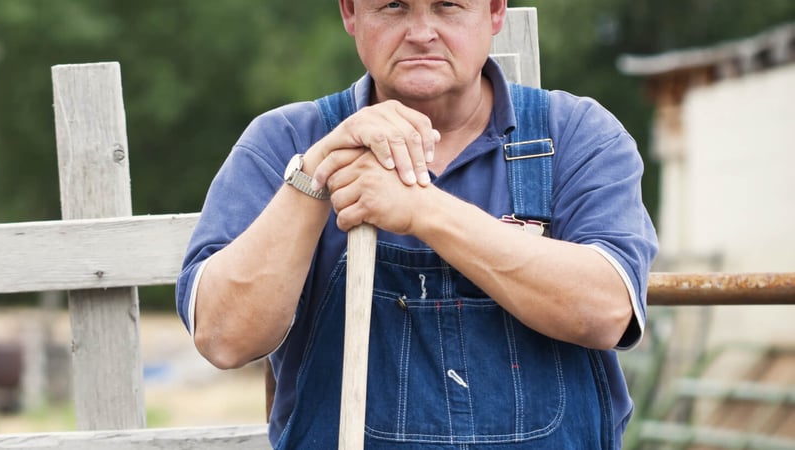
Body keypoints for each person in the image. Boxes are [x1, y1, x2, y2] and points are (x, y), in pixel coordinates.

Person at [176, 0, 658, 448]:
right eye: (393, 5)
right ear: (350, 12)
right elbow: (224, 338)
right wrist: (313, 178)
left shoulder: (575, 136)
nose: (422, 32)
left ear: (493, 11)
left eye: (448, 4)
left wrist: (422, 210)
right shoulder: (285, 143)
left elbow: (606, 311)